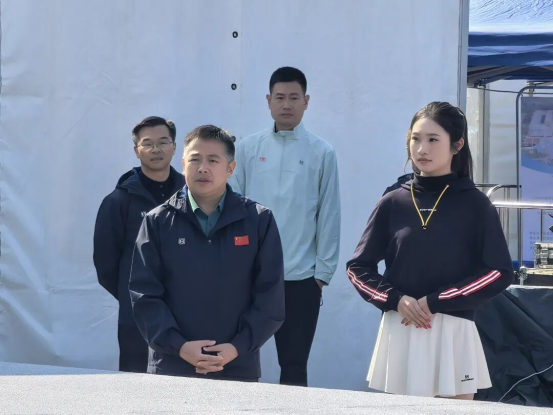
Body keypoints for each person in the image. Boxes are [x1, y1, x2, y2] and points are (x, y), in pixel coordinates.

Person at [347, 101, 514, 399]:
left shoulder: (475, 204)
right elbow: (358, 268)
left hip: (453, 330)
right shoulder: (392, 201)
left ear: (457, 145)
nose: (422, 149)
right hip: (400, 327)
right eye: (416, 139)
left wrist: (437, 301)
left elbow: (498, 272)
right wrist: (395, 300)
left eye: (433, 139)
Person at [129, 125, 285, 382]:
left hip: (236, 366)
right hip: (172, 365)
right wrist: (180, 346)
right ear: (183, 164)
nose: (203, 168)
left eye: (213, 160)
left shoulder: (258, 220)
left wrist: (235, 348)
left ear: (230, 168)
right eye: (195, 160)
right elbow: (144, 295)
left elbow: (271, 298)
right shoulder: (157, 221)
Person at [229, 66, 341, 387]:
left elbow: (329, 213)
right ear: (268, 101)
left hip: (301, 279)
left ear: (306, 101)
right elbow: (234, 207)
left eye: (294, 97)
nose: (286, 104)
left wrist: (322, 274)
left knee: (294, 365)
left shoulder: (322, 152)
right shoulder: (248, 148)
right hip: (250, 276)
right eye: (280, 97)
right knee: (236, 358)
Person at [93, 116, 184, 373]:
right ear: (136, 150)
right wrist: (132, 294)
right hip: (137, 316)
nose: (156, 149)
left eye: (163, 142)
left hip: (187, 312)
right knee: (136, 383)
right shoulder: (118, 201)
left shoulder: (191, 195)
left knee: (186, 384)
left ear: (174, 147)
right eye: (147, 144)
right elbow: (106, 266)